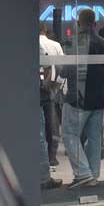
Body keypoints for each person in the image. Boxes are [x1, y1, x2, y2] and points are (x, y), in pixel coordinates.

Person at [60, 9, 104, 188]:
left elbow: (67, 71)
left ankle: (83, 173)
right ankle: (93, 174)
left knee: (69, 134)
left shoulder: (73, 42)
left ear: (78, 23)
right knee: (94, 138)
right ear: (94, 24)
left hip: (78, 98)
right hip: (98, 97)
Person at [38, 31, 63, 190]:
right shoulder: (53, 45)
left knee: (41, 131)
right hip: (43, 91)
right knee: (47, 128)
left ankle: (43, 175)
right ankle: (47, 168)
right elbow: (56, 66)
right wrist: (50, 85)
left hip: (32, 92)